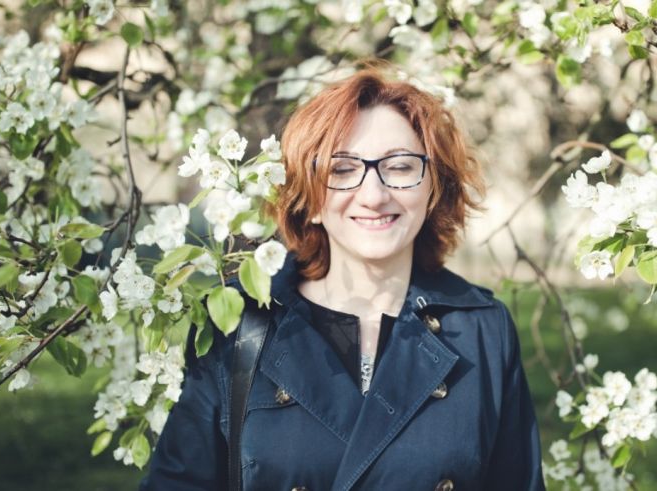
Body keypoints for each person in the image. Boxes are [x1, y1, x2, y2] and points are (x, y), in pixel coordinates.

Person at [141, 66, 546, 490]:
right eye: (342, 170)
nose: (373, 195)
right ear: (309, 198)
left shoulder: (483, 330)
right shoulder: (240, 325)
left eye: (402, 166)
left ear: (433, 191)